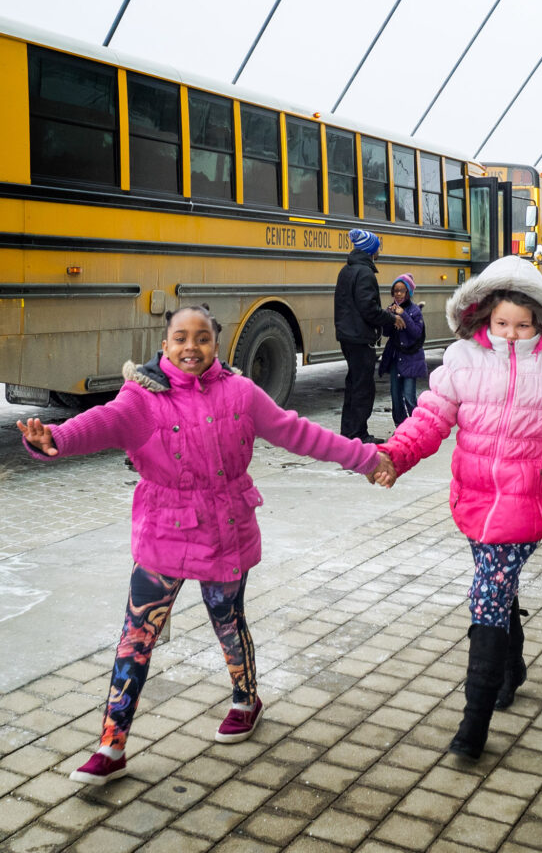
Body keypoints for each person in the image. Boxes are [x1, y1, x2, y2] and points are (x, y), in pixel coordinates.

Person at [18, 306, 387, 786]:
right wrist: (53, 439)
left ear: (217, 343)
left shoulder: (241, 393)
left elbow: (298, 432)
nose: (190, 347)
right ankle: (111, 746)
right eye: (180, 338)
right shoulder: (142, 399)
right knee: (136, 637)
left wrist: (365, 458)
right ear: (165, 344)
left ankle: (246, 700)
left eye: (202, 338)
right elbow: (101, 423)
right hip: (163, 532)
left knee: (228, 621)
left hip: (225, 528)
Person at [371, 256, 542, 760]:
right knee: (498, 588)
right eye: (503, 324)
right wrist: (396, 453)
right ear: (484, 317)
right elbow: (432, 416)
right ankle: (512, 667)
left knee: (487, 593)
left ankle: (473, 725)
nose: (513, 334)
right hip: (474, 499)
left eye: (523, 324)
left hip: (530, 501)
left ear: (541, 319)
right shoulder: (462, 359)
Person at [334, 229, 403, 443]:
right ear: (371, 250)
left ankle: (349, 431)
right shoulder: (364, 273)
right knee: (363, 387)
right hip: (360, 337)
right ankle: (358, 434)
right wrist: (391, 319)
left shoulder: (347, 270)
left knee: (354, 384)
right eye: (378, 247)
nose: (379, 251)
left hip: (348, 336)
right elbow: (368, 309)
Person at [378, 273, 427, 426]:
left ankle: (415, 427)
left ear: (408, 293)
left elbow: (415, 333)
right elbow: (386, 332)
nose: (398, 294)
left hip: (410, 359)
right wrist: (389, 317)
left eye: (402, 291)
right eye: (395, 291)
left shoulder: (414, 311)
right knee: (395, 395)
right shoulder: (391, 309)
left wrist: (403, 315)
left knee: (409, 396)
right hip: (395, 358)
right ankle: (400, 426)